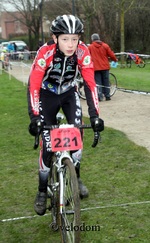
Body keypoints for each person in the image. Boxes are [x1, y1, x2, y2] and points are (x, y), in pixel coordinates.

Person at [27, 15, 104, 216]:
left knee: (77, 136)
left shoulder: (83, 51)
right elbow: (34, 84)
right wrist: (34, 117)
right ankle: (42, 190)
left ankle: (76, 176)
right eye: (65, 39)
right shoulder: (45, 53)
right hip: (47, 94)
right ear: (55, 38)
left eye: (75, 38)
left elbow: (89, 84)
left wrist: (95, 115)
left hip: (69, 93)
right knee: (47, 145)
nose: (70, 44)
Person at [88, 33, 118, 101]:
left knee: (98, 83)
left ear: (92, 39)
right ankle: (107, 96)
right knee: (106, 81)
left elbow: (87, 57)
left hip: (96, 68)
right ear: (99, 38)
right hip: (105, 67)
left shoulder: (90, 47)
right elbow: (111, 54)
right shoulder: (105, 46)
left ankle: (99, 96)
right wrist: (115, 60)